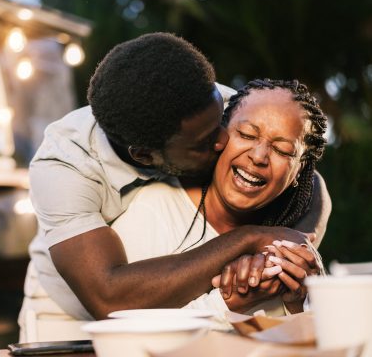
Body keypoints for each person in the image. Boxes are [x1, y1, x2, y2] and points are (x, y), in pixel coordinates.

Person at [18, 33, 330, 340]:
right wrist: (250, 238)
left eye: (222, 123)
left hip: (183, 313)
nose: (223, 139)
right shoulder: (64, 166)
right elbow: (109, 299)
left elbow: (304, 175)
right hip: (67, 315)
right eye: (205, 142)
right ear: (144, 155)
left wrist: (289, 250)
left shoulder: (202, 104)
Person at [112, 78, 329, 317]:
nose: (259, 157)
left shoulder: (286, 247)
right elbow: (120, 331)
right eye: (246, 134)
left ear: (299, 171)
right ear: (219, 136)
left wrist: (299, 303)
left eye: (281, 150)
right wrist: (226, 304)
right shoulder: (153, 211)